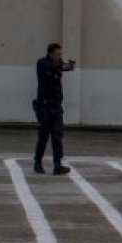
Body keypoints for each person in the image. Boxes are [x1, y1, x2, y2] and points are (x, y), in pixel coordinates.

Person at [33, 42, 76, 175]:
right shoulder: (42, 63)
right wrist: (64, 66)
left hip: (56, 107)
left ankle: (57, 164)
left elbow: (62, 67)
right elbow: (53, 66)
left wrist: (69, 66)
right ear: (51, 54)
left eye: (60, 54)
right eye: (58, 54)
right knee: (43, 136)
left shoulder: (56, 65)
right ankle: (38, 163)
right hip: (44, 107)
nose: (60, 56)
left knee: (57, 136)